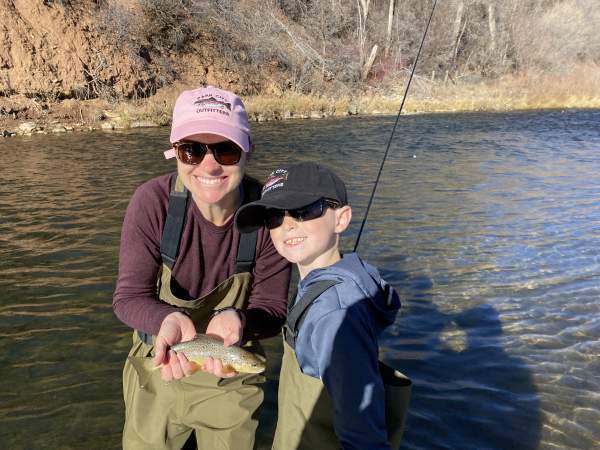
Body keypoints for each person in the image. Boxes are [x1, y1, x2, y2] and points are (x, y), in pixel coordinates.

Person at [112, 85, 291, 450]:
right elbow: (128, 298)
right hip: (162, 359)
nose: (209, 165)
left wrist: (241, 320)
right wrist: (165, 320)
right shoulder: (153, 203)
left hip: (232, 375)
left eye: (226, 150)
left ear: (247, 153)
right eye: (192, 150)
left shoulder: (269, 215)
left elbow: (273, 311)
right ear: (175, 154)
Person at [235, 162, 401, 450]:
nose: (287, 224)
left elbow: (364, 437)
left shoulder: (333, 313)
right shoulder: (337, 284)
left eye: (303, 210)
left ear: (342, 219)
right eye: (274, 216)